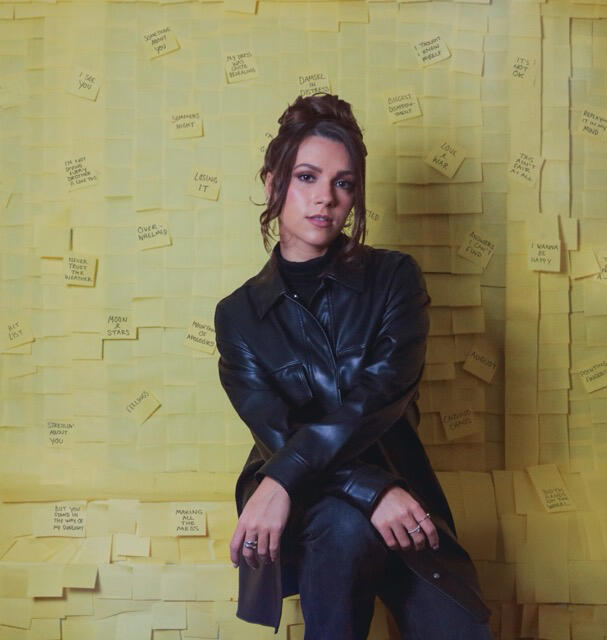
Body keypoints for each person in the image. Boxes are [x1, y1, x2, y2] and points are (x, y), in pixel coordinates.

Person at [214, 93, 493, 640]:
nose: (325, 198)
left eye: (343, 183)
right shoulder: (238, 316)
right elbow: (276, 429)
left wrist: (379, 489)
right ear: (272, 184)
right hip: (301, 497)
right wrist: (369, 491)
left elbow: (378, 395)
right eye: (307, 177)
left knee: (459, 628)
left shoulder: (394, 279)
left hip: (394, 487)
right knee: (342, 527)